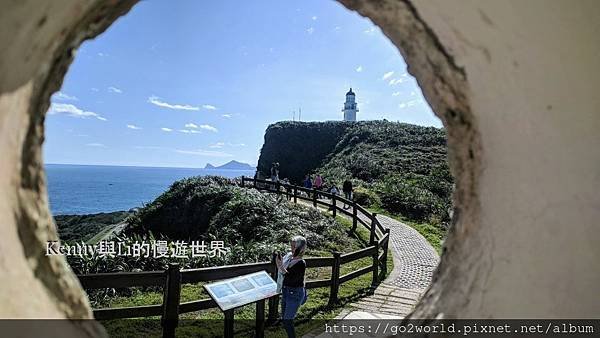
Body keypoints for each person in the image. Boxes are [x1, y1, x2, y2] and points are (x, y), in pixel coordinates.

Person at [276, 236, 308, 338]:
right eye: (291, 246)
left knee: (287, 321)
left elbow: (291, 278)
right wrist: (279, 261)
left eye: (295, 246)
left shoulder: (301, 263)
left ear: (301, 248)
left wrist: (280, 266)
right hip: (286, 291)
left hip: (294, 293)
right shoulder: (289, 257)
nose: (292, 249)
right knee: (285, 320)